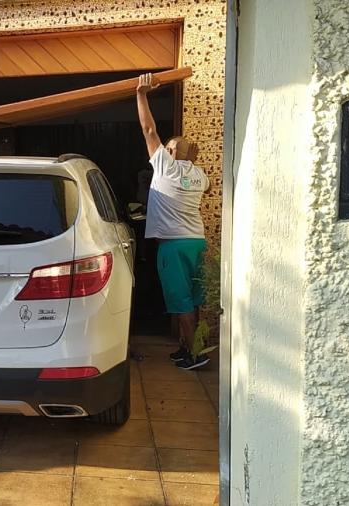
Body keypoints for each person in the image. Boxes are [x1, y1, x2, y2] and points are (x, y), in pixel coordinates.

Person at [135, 72, 210, 370]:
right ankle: (188, 347)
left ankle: (195, 355)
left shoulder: (166, 166)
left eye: (167, 146)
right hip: (196, 241)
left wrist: (141, 94)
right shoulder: (200, 175)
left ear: (172, 152)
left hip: (174, 247)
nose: (162, 148)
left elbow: (148, 128)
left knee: (180, 302)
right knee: (193, 300)